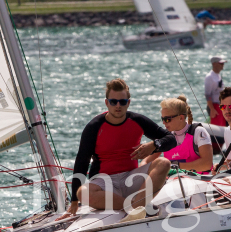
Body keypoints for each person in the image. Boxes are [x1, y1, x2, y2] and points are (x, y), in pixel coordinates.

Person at [66, 78, 176, 216]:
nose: (118, 105)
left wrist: (154, 145)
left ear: (128, 103)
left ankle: (136, 208)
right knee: (83, 192)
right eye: (113, 102)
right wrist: (74, 201)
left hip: (132, 179)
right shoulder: (94, 127)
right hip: (105, 184)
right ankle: (135, 207)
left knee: (164, 163)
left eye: (122, 102)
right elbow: (82, 161)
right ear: (107, 103)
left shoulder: (137, 120)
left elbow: (171, 139)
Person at [145, 95, 214, 174]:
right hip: (172, 182)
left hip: (198, 181)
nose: (163, 122)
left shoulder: (199, 132)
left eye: (167, 119)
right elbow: (147, 160)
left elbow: (207, 164)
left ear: (181, 118)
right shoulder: (166, 137)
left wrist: (176, 166)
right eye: (162, 119)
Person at [204, 56, 227, 127]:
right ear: (214, 64)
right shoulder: (209, 77)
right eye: (221, 63)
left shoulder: (218, 75)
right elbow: (208, 95)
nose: (222, 65)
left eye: (223, 63)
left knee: (222, 125)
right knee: (216, 126)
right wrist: (212, 109)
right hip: (214, 106)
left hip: (220, 105)